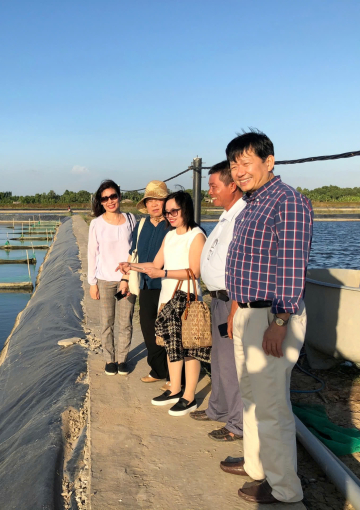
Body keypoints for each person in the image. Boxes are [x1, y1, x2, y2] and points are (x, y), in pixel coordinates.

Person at [219, 130, 313, 505]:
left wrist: (280, 320)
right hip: (248, 312)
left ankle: (284, 488)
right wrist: (236, 310)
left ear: (268, 161)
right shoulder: (254, 202)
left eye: (246, 162)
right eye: (233, 164)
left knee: (272, 405)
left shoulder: (286, 202)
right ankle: (258, 466)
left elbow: (292, 265)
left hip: (272, 316)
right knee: (253, 397)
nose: (239, 171)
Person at [122, 191, 207, 416]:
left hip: (188, 299)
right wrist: (132, 266)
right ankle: (174, 389)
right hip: (167, 298)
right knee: (171, 345)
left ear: (186, 209)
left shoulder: (196, 235)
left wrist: (164, 272)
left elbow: (194, 272)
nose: (170, 215)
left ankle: (189, 396)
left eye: (174, 211)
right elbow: (155, 263)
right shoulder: (169, 235)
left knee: (189, 348)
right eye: (167, 212)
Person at [190, 161, 245, 443]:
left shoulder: (242, 216)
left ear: (232, 185)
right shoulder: (227, 216)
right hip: (218, 299)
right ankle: (219, 408)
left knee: (232, 364)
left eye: (214, 186)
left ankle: (237, 423)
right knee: (219, 359)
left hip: (231, 298)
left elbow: (241, 267)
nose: (209, 192)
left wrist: (235, 305)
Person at [121, 181, 172, 385]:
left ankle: (175, 375)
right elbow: (132, 254)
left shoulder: (172, 225)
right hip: (145, 285)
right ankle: (158, 369)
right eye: (150, 200)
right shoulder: (141, 225)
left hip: (167, 284)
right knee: (148, 329)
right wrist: (125, 278)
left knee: (169, 331)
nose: (154, 204)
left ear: (166, 202)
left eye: (159, 200)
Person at [87, 180, 137, 376]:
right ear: (100, 201)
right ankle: (109, 359)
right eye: (105, 198)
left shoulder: (131, 219)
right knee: (107, 322)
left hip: (127, 279)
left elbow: (135, 249)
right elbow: (92, 253)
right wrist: (93, 283)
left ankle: (123, 359)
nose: (110, 201)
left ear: (119, 196)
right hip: (105, 280)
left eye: (113, 196)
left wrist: (128, 275)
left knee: (126, 321)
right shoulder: (96, 224)